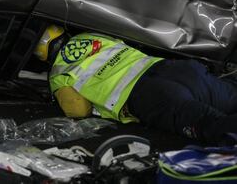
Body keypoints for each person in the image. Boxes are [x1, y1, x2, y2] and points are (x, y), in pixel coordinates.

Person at [34, 25, 237, 145]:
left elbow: (78, 109)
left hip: (149, 94)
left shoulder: (58, 74)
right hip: (173, 69)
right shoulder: (89, 36)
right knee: (230, 97)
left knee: (211, 125)